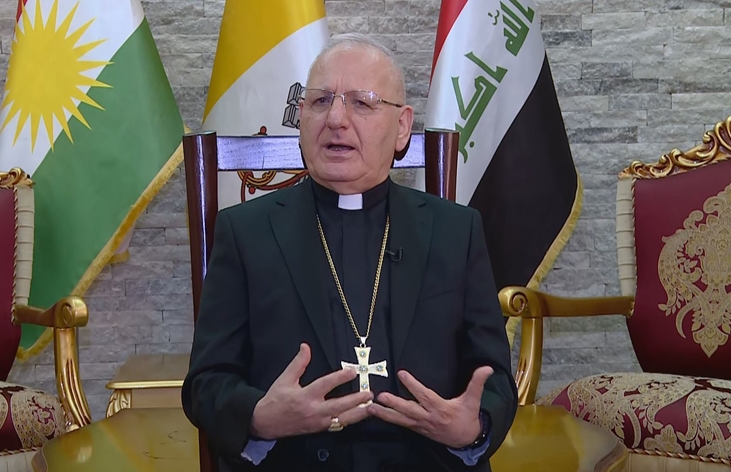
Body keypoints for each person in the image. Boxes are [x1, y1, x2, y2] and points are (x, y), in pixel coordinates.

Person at [182, 33, 517, 472]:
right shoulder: (245, 232)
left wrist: (473, 428)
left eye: (362, 103)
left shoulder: (456, 231)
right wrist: (260, 416)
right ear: (301, 119)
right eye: (320, 102)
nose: (336, 119)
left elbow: (494, 380)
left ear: (402, 127)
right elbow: (205, 384)